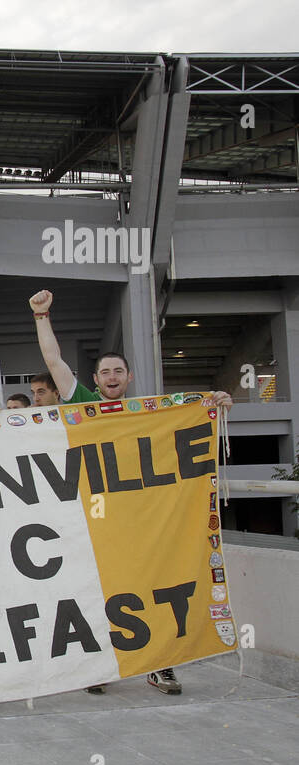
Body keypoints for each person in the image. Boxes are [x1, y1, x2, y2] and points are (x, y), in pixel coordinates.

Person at [29, 288, 233, 696]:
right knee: (97, 588)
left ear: (129, 377)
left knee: (158, 585)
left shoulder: (151, 414)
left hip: (144, 522)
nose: (111, 378)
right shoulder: (84, 405)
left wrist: (218, 402)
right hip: (98, 519)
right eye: (104, 373)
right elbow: (54, 361)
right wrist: (41, 316)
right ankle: (100, 665)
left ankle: (161, 666)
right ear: (96, 380)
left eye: (117, 372)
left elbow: (192, 417)